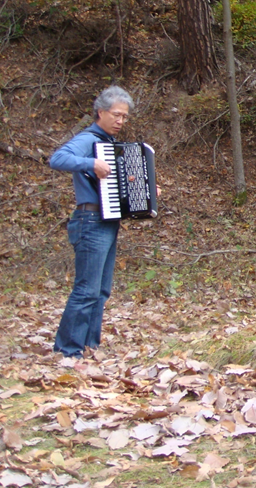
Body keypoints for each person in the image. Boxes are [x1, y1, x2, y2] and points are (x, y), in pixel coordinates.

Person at [50, 86, 134, 358]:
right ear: (101, 112)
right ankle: (67, 351)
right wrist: (90, 164)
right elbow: (57, 159)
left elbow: (116, 186)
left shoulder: (109, 144)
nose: (120, 121)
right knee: (86, 290)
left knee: (101, 290)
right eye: (116, 115)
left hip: (107, 221)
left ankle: (88, 346)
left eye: (124, 117)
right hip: (90, 220)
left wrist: (146, 192)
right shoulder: (89, 139)